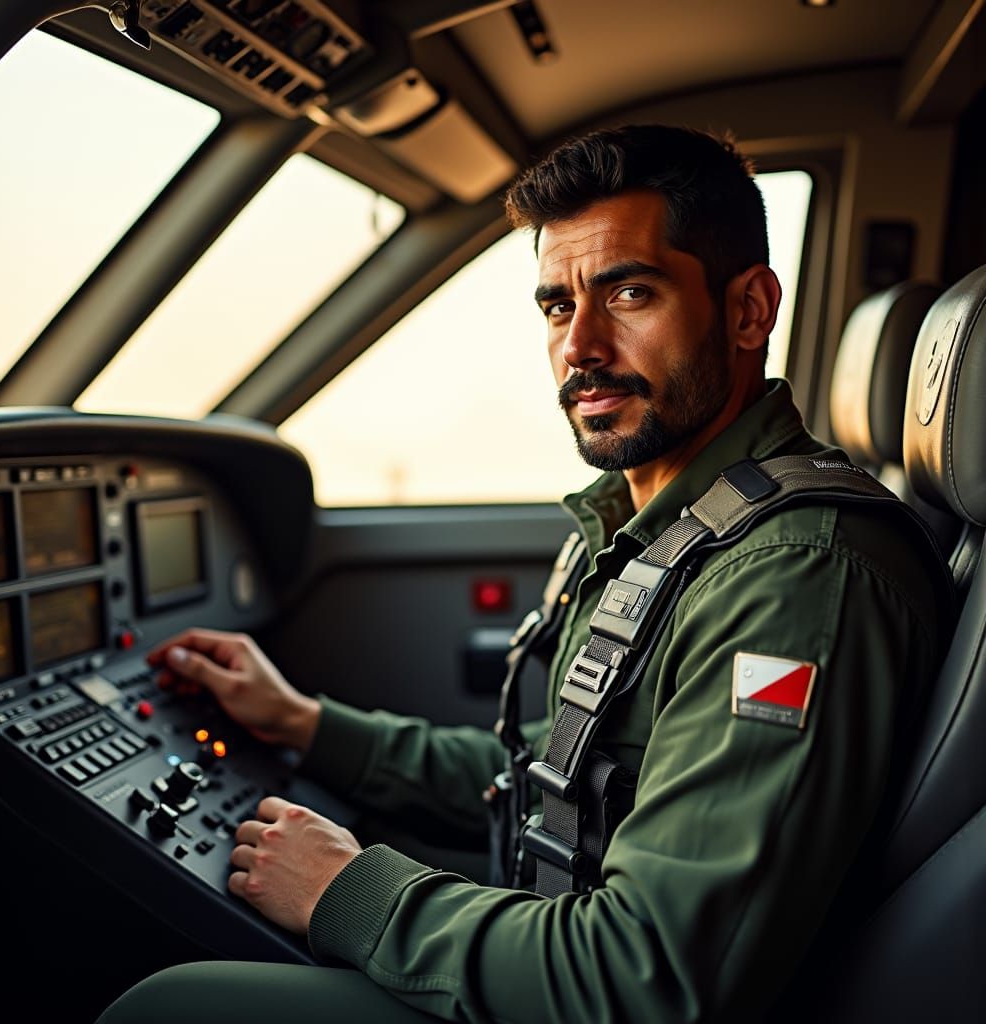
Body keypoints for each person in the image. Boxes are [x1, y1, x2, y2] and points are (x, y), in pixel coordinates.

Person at [97, 125, 950, 1023]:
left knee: (172, 1006)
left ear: (747, 310)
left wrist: (350, 890)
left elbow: (649, 977)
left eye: (629, 292)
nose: (581, 344)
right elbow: (559, 779)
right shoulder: (662, 527)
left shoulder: (797, 574)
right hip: (569, 944)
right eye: (556, 307)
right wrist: (309, 727)